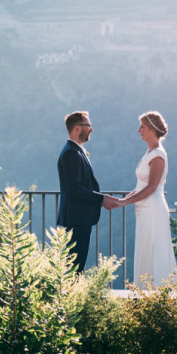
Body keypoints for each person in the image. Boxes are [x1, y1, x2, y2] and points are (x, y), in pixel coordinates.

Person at [114, 111, 177, 287]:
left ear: (152, 129)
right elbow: (141, 186)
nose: (139, 130)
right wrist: (121, 200)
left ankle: (159, 293)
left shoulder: (158, 154)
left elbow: (152, 187)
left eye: (142, 127)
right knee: (146, 250)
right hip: (144, 209)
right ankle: (145, 292)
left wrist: (125, 202)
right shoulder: (150, 152)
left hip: (153, 209)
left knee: (154, 251)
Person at [57, 111, 118, 273]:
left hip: (78, 218)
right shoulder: (71, 152)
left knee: (76, 264)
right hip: (76, 219)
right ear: (77, 128)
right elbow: (74, 189)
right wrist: (101, 199)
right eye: (88, 126)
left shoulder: (76, 150)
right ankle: (73, 296)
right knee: (74, 266)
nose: (91, 129)